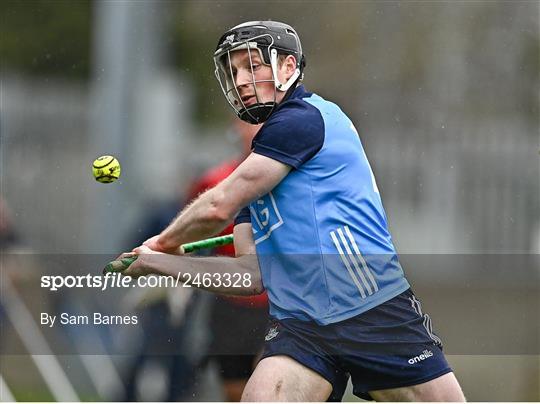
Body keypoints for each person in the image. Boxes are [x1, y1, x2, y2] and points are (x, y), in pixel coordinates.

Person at [113, 21, 465, 401]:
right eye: (234, 71)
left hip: (371, 312)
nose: (242, 80)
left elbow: (217, 208)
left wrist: (163, 242)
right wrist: (158, 263)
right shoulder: (261, 167)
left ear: (288, 67)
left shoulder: (303, 118)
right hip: (303, 329)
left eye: (253, 66)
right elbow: (250, 275)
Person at [185, 120, 269, 401]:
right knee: (236, 393)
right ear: (237, 129)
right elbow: (189, 240)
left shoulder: (291, 182)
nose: (256, 132)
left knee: (269, 386)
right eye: (249, 125)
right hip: (230, 306)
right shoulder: (213, 183)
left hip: (278, 306)